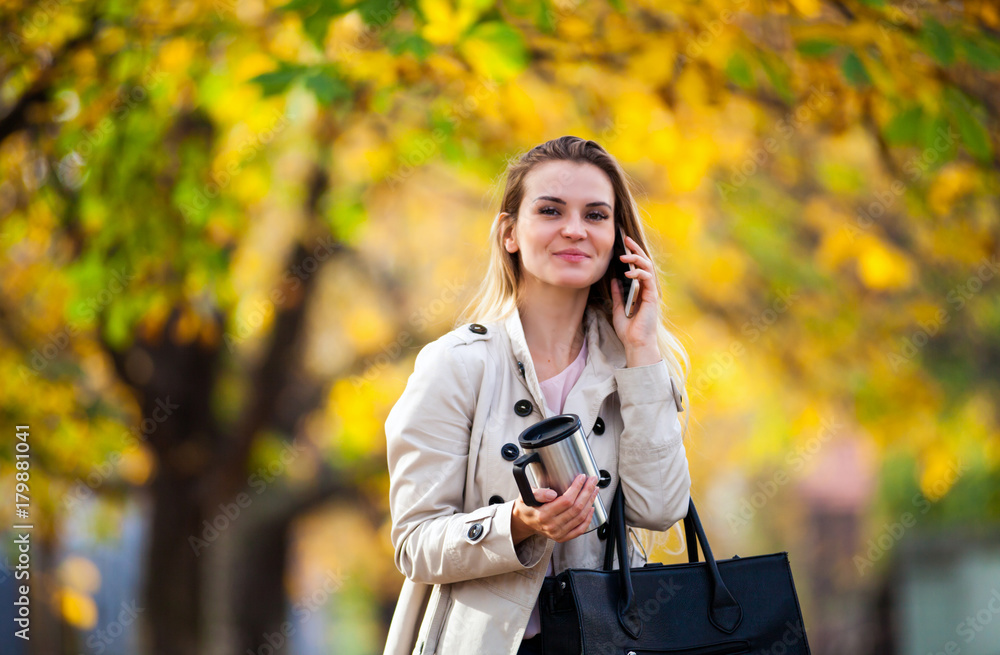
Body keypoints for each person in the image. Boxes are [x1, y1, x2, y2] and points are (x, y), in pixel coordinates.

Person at [382, 136, 692, 655]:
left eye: (596, 215)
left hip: (608, 641)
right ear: (509, 232)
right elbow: (414, 543)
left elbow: (659, 508)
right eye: (550, 210)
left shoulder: (636, 364)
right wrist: (518, 524)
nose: (574, 229)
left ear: (617, 239)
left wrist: (641, 349)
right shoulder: (456, 365)